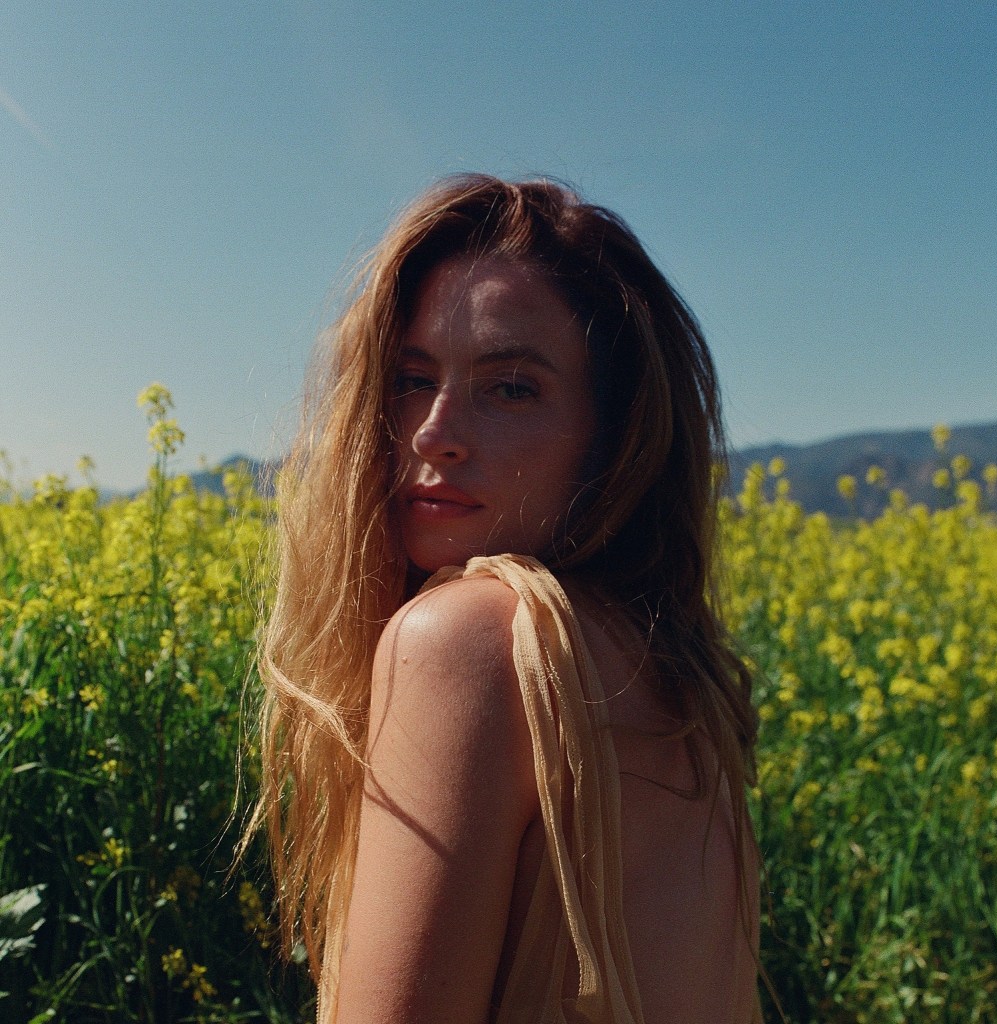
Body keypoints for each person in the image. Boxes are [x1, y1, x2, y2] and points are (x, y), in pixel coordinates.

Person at [251, 174, 763, 1023]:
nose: (433, 432)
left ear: (615, 432)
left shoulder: (471, 641)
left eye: (510, 387)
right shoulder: (672, 676)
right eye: (413, 378)